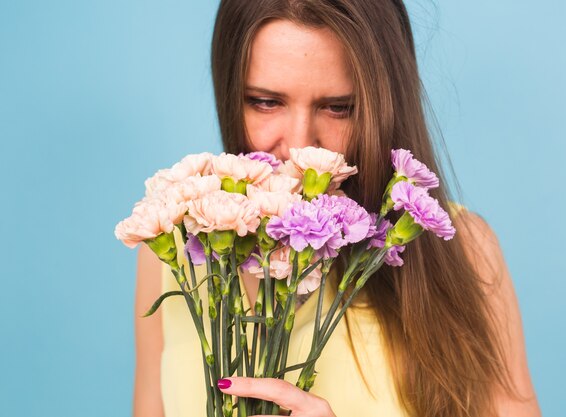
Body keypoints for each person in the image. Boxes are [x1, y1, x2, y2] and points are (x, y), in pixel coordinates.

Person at [133, 1, 542, 416]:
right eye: (265, 102)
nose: (299, 145)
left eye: (338, 107)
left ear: (384, 105)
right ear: (229, 95)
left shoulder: (466, 252)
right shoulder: (174, 252)